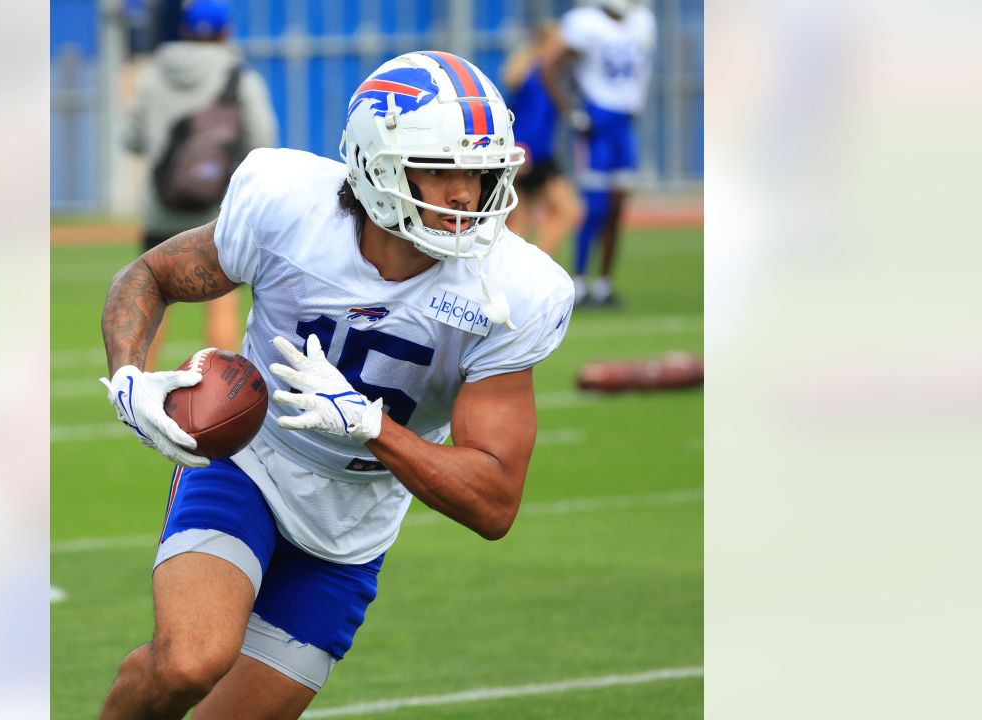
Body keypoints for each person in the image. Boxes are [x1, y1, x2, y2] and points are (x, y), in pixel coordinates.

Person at [96, 51, 574, 719]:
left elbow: (494, 502)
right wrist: (128, 374)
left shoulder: (516, 289)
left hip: (353, 524)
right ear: (376, 165)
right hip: (251, 461)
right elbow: (149, 277)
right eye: (441, 169)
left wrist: (375, 429)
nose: (466, 193)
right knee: (187, 662)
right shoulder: (288, 206)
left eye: (480, 168)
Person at [122, 0, 278, 364]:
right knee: (221, 305)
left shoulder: (154, 75)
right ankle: (220, 399)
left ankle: (137, 393)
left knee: (152, 302)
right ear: (226, 33)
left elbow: (131, 139)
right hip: (217, 210)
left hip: (162, 208)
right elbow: (263, 141)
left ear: (185, 30)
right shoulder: (240, 78)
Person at [545, 0, 656, 307]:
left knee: (618, 206)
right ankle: (579, 282)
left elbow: (641, 72)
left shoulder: (642, 20)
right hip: (597, 123)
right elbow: (551, 69)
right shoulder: (585, 23)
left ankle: (604, 284)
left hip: (624, 123)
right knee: (595, 207)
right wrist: (571, 112)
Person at [500, 21, 584, 257]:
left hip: (530, 153)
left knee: (519, 222)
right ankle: (534, 267)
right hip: (532, 154)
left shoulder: (540, 74)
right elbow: (532, 120)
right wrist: (524, 152)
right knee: (568, 210)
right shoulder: (538, 76)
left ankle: (517, 273)